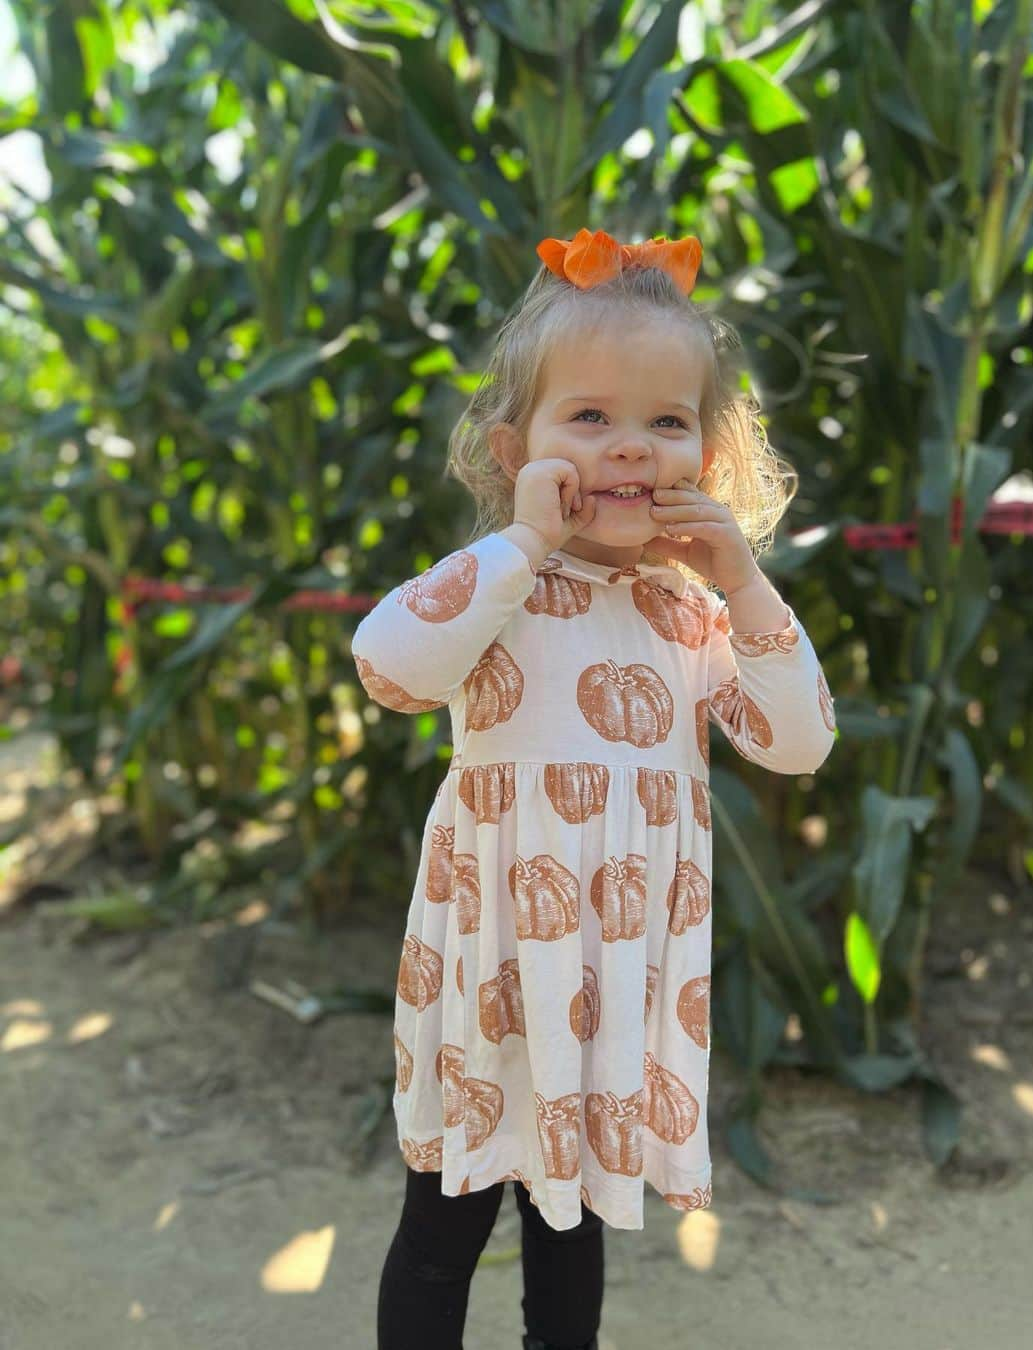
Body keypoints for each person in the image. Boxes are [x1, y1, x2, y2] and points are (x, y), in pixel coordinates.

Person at [353, 227, 837, 1350]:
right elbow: (389, 667)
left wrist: (743, 575)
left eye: (667, 423)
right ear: (517, 446)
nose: (631, 449)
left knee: (571, 1229)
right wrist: (521, 541)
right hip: (493, 972)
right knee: (446, 1222)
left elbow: (800, 741)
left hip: (613, 977)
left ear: (709, 461)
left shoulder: (694, 616)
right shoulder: (499, 589)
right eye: (591, 418)